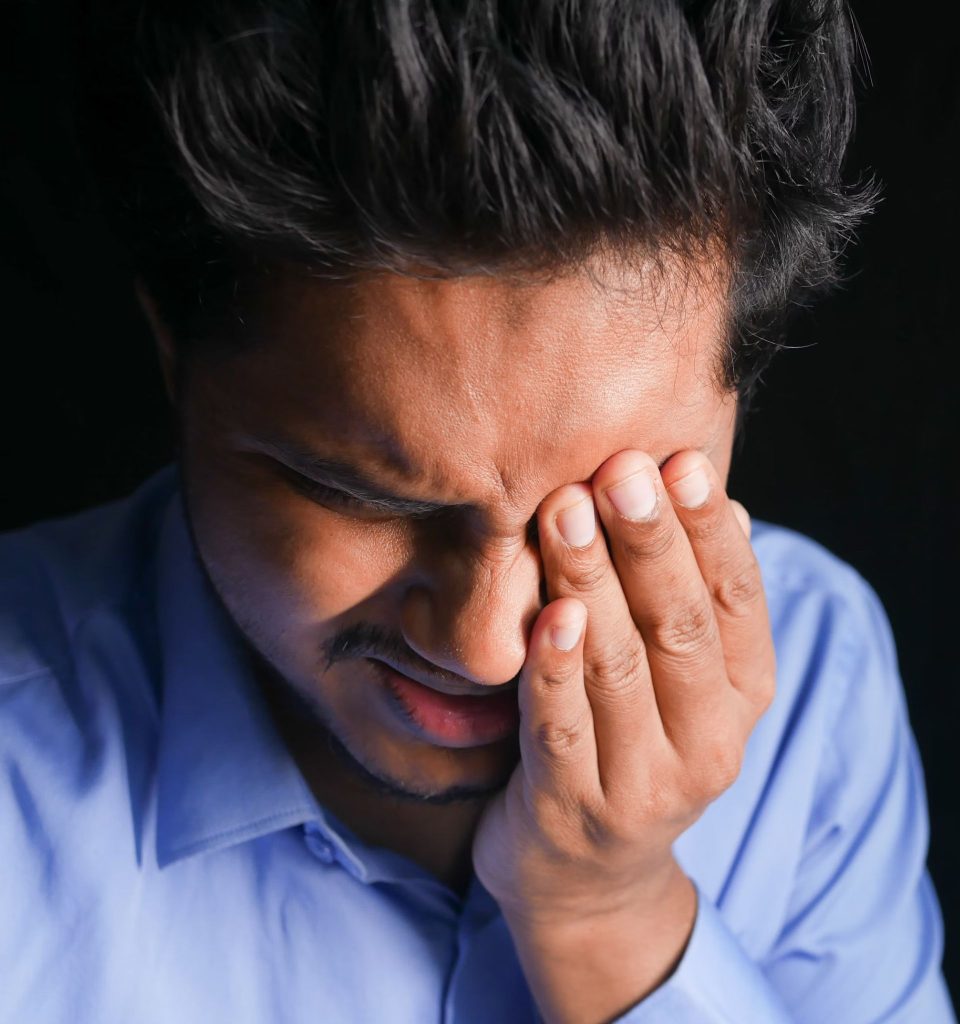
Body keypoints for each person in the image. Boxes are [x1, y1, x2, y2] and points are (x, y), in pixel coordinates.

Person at [1, 0, 954, 1021]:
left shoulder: (815, 680)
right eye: (363, 496)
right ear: (172, 356)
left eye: (602, 507)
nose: (490, 647)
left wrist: (609, 912)